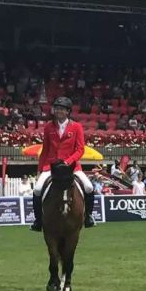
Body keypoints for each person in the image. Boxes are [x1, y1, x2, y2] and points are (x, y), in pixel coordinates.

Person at [29, 96, 96, 231]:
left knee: (89, 187)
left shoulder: (76, 127)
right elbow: (45, 149)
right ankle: (38, 221)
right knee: (37, 190)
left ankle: (88, 216)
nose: (58, 111)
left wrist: (68, 162)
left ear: (68, 112)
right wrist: (40, 169)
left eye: (62, 109)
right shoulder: (48, 127)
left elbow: (80, 149)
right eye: (57, 108)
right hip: (51, 166)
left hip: (72, 167)